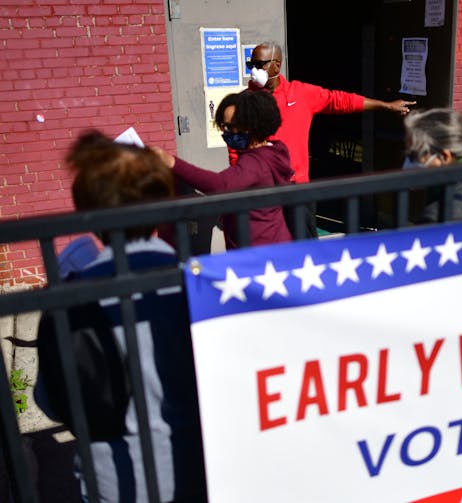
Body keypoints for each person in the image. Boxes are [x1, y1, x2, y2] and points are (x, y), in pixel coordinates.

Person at [35, 130, 206, 502]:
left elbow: (50, 401)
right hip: (201, 468)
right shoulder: (202, 287)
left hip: (113, 478)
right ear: (163, 201)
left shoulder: (69, 299)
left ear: (88, 215)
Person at [239, 41, 417, 237]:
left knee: (305, 250)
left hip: (297, 190)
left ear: (277, 65)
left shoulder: (301, 93)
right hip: (262, 191)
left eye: (260, 64)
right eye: (251, 64)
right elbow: (236, 146)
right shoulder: (245, 100)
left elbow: (341, 100)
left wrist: (386, 106)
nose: (254, 70)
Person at [155, 90, 294, 249]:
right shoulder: (272, 151)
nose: (225, 132)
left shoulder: (254, 162)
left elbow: (220, 185)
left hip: (259, 254)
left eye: (230, 127)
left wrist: (172, 162)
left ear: (252, 125)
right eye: (222, 126)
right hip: (271, 244)